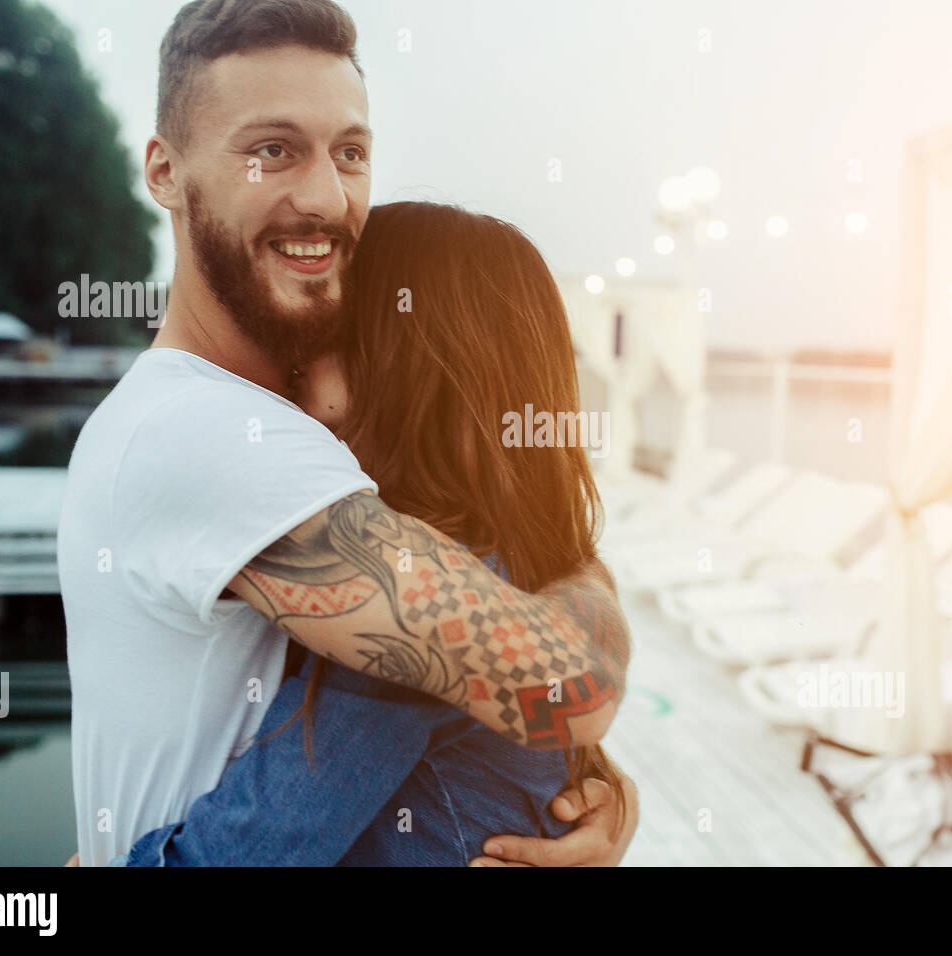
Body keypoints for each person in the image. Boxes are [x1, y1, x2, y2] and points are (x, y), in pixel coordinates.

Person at [58, 0, 636, 867]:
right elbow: (567, 682)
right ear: (166, 172)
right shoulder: (213, 433)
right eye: (273, 149)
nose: (327, 196)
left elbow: (521, 693)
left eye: (351, 153)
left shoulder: (242, 423)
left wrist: (583, 783)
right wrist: (581, 580)